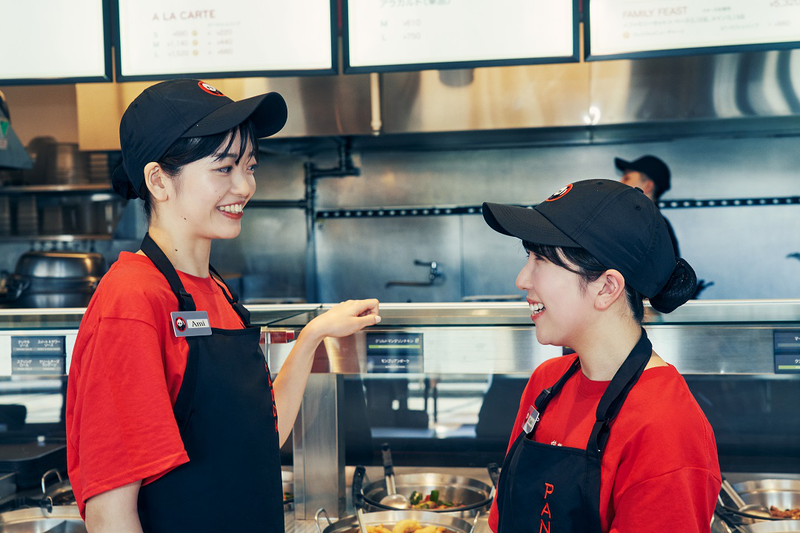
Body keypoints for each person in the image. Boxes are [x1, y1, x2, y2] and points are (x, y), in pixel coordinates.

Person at [65, 79, 380, 532]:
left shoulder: (214, 289)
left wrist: (313, 335)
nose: (245, 185)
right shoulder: (132, 299)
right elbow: (110, 511)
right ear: (158, 181)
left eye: (249, 166)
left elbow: (260, 439)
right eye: (224, 168)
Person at [482, 179, 721, 533]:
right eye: (527, 257)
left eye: (541, 259)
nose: (522, 279)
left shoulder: (666, 428)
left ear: (607, 287)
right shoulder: (546, 384)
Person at [615, 154, 680, 257]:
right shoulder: (653, 224)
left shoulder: (652, 226)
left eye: (626, 178)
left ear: (648, 186)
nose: (620, 182)